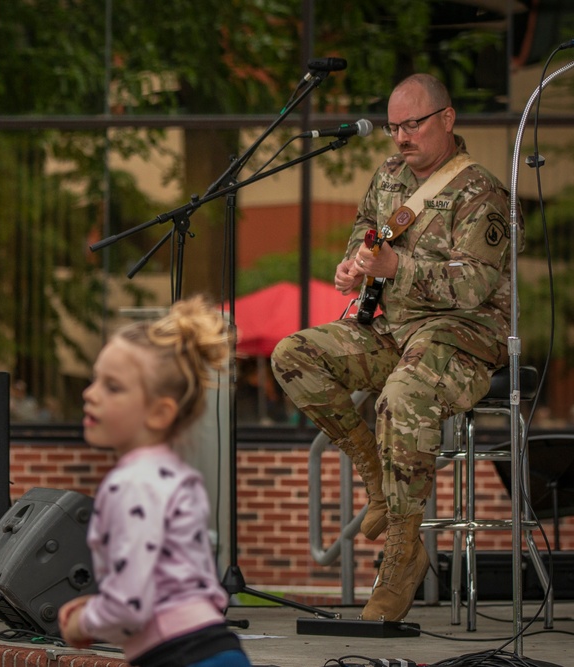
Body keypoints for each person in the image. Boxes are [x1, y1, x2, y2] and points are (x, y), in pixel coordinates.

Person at [271, 73, 520, 622]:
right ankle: (376, 479)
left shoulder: (482, 192)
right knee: (293, 355)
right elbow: (367, 228)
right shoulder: (390, 176)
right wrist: (354, 264)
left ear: (447, 120)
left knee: (402, 397)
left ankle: (404, 550)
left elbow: (476, 284)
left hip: (463, 339)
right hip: (396, 329)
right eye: (393, 128)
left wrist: (396, 268)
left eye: (413, 124)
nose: (402, 138)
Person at [58, 296, 251, 667]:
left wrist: (85, 621)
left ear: (160, 412)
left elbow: (131, 605)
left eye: (112, 387)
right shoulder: (175, 476)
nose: (89, 393)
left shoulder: (133, 483)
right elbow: (169, 586)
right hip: (213, 648)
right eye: (95, 380)